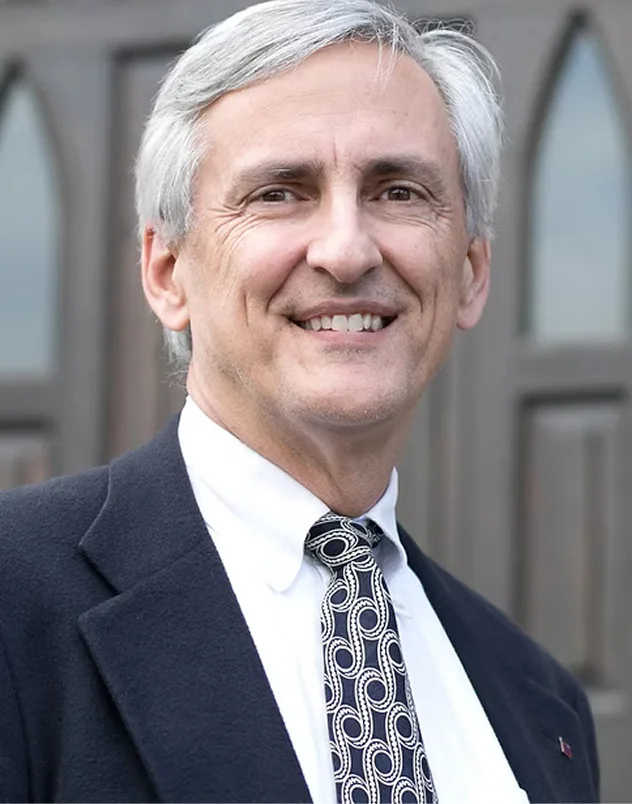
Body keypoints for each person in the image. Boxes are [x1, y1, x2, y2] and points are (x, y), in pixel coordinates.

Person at [0, 1, 599, 802]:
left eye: (398, 191)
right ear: (167, 272)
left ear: (472, 271)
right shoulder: (15, 600)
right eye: (280, 193)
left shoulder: (541, 701)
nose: (346, 251)